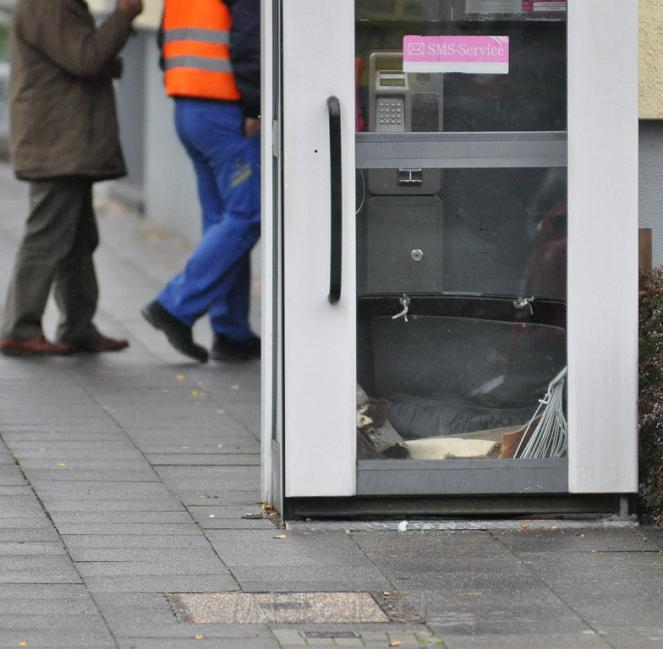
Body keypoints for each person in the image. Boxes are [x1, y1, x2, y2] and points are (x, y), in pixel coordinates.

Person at [0, 0, 143, 357]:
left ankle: (78, 327)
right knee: (47, 236)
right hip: (56, 143)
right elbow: (85, 58)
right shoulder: (48, 3)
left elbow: (79, 57)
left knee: (79, 239)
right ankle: (19, 326)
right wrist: (122, 16)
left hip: (66, 142)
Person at [141, 0, 260, 364]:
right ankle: (175, 306)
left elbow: (165, 41)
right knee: (249, 214)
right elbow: (249, 38)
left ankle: (231, 331)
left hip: (188, 108)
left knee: (222, 221)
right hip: (226, 110)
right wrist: (253, 105)